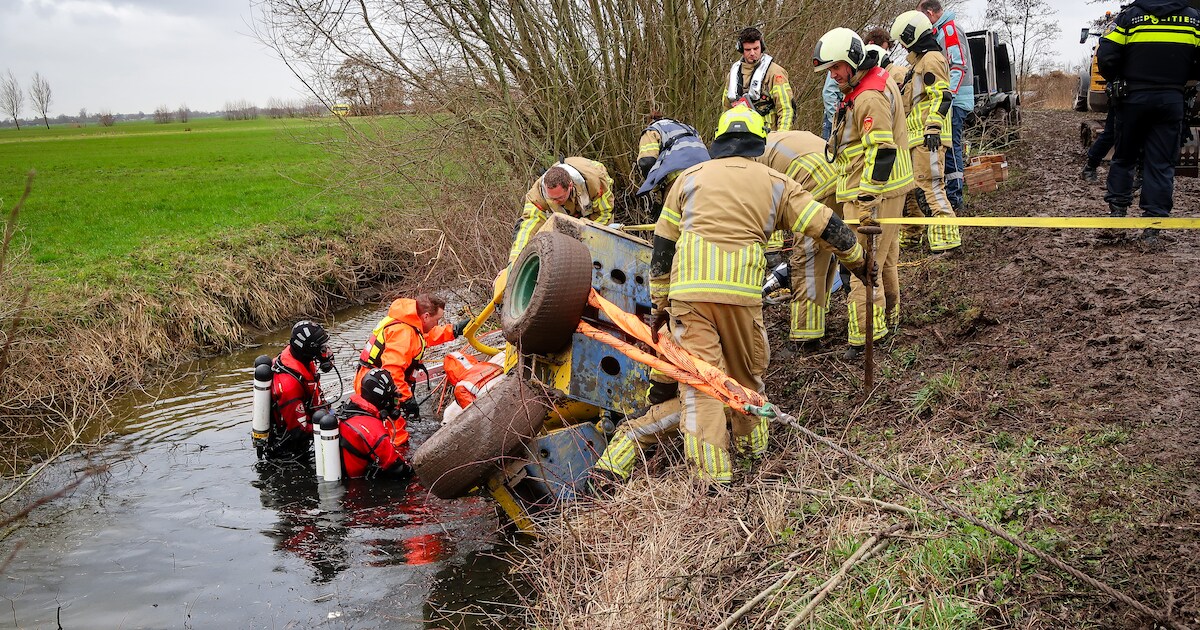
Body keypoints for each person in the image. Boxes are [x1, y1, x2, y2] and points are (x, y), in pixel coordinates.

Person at [647, 104, 869, 486]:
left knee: (701, 385)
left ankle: (710, 480)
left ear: (717, 142)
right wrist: (859, 261)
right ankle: (754, 457)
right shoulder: (775, 182)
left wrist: (660, 305)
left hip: (689, 295)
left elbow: (662, 249)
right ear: (756, 143)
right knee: (746, 377)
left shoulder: (687, 180)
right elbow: (824, 225)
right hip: (739, 296)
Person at [814, 27, 915, 358]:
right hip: (888, 189)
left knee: (862, 266)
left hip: (873, 193)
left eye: (835, 68)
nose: (833, 75)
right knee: (884, 261)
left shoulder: (869, 95)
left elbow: (880, 151)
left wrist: (868, 201)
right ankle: (888, 323)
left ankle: (865, 338)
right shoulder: (870, 81)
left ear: (851, 60)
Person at [1097, 0, 1200, 246]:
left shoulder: (1129, 18)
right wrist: (1186, 81)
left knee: (1124, 157)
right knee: (1162, 164)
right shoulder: (1194, 20)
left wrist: (1116, 78)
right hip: (1171, 99)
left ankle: (1118, 214)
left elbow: (1107, 54)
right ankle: (1153, 227)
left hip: (1132, 98)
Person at [754, 130, 841, 353]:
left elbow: (764, 209)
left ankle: (805, 336)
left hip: (815, 188)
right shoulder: (773, 140)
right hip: (841, 178)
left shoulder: (749, 162)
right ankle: (820, 313)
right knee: (827, 251)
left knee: (806, 261)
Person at [353, 294, 467, 446]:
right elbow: (392, 371)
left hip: (376, 381)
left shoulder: (410, 321)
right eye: (436, 320)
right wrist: (406, 399)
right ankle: (398, 459)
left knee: (391, 425)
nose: (437, 323)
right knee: (395, 431)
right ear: (426, 316)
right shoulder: (403, 333)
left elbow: (425, 336)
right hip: (375, 387)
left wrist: (454, 330)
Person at [891, 10, 962, 254]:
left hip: (928, 136)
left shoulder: (931, 59)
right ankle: (915, 237)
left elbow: (942, 95)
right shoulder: (920, 63)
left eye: (903, 39)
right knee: (915, 190)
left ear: (912, 35)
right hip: (917, 137)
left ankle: (946, 242)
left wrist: (932, 128)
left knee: (931, 187)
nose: (901, 45)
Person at [919, 0, 974, 212]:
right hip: (953, 99)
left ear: (931, 13)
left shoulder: (949, 30)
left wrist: (946, 96)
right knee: (949, 147)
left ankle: (955, 196)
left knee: (951, 147)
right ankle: (952, 194)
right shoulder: (942, 31)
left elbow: (958, 66)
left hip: (955, 100)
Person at [509, 157, 615, 262]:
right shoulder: (537, 195)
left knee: (602, 244)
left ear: (570, 186)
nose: (555, 202)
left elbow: (605, 213)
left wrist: (586, 237)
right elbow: (527, 228)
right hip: (571, 206)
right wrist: (515, 261)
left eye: (559, 198)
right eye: (552, 198)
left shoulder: (595, 183)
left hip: (592, 182)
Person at [267, 320, 333, 460]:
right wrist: (334, 426)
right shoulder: (289, 385)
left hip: (306, 425)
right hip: (289, 452)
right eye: (320, 348)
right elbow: (298, 431)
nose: (325, 351)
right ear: (308, 349)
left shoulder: (302, 360)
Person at [336, 368, 415, 479]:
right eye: (393, 397)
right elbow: (398, 468)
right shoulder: (375, 432)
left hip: (344, 476)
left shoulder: (349, 410)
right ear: (383, 397)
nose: (395, 402)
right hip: (357, 487)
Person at [635, 113, 709, 220]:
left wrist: (656, 189)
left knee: (672, 223)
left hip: (678, 179)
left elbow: (646, 162)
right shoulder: (689, 129)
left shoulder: (652, 130)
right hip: (706, 178)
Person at [725, 27, 794, 132]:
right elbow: (726, 110)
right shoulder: (733, 75)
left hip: (768, 137)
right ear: (741, 50)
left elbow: (786, 109)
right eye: (748, 50)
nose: (752, 53)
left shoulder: (775, 73)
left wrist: (781, 137)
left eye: (756, 48)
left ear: (762, 47)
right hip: (739, 137)